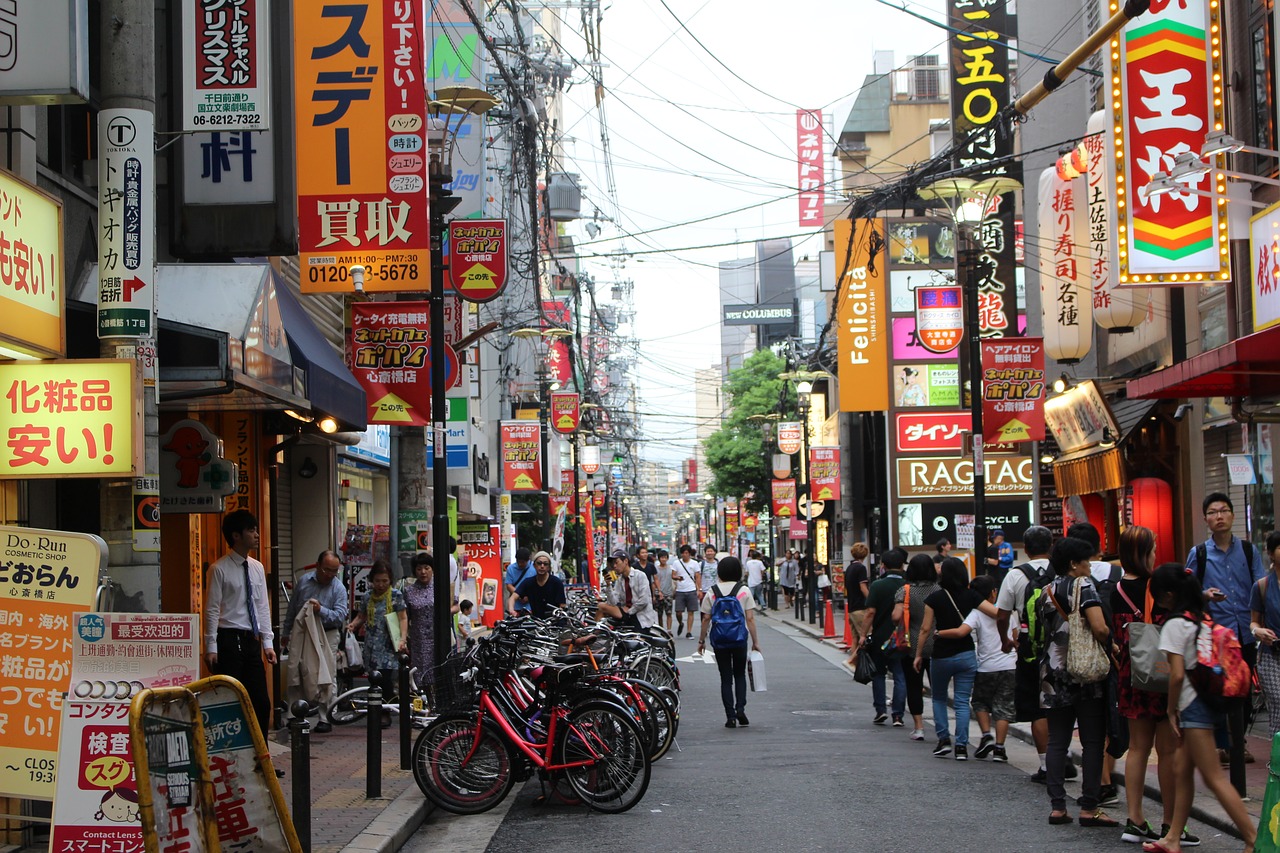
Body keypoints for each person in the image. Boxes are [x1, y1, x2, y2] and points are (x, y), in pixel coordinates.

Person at [1144, 563, 1257, 853]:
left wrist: (1171, 711)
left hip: (1193, 705)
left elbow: (1177, 675)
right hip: (1210, 699)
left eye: (1156, 595)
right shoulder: (1200, 617)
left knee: (1213, 777)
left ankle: (1253, 839)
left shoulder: (1172, 624)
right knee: (1182, 769)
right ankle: (1172, 839)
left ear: (1168, 595)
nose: (1155, 601)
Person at [1112, 525, 1182, 845]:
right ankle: (1170, 824)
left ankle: (1135, 819)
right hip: (1162, 673)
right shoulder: (1159, 587)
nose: (1155, 552)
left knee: (1137, 748)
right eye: (1152, 548)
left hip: (1131, 675)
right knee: (1167, 751)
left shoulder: (1115, 590)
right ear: (1144, 553)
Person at [1185, 492, 1264, 767]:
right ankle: (1221, 744)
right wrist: (1206, 595)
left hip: (1245, 632)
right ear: (1206, 519)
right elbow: (1189, 590)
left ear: (1233, 515)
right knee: (1217, 687)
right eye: (1213, 512)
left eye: (1224, 511)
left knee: (1243, 689)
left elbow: (1260, 585)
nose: (1219, 516)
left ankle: (1237, 742)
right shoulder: (1200, 553)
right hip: (1215, 635)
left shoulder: (1248, 550)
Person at [1041, 537, 1115, 828]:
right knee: (1093, 741)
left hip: (1053, 671)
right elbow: (1098, 627)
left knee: (1057, 740)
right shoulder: (1084, 586)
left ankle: (1058, 806)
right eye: (1086, 560)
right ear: (1074, 563)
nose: (1089, 566)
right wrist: (1111, 640)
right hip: (1084, 672)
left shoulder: (1046, 591)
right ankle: (1089, 807)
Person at [995, 525, 1067, 783]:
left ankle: (1047, 766)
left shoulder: (1015, 575)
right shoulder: (1062, 570)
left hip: (1030, 648)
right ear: (1051, 546)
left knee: (1038, 708)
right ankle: (1064, 755)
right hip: (1061, 646)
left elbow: (1002, 614)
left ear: (1025, 549)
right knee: (1062, 702)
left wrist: (1005, 640)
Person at [203, 510, 277, 736]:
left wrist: (268, 643)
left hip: (250, 641)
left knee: (261, 702)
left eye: (256, 529)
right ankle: (233, 759)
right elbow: (212, 609)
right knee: (232, 700)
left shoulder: (257, 567)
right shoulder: (219, 569)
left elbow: (262, 606)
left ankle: (262, 759)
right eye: (251, 530)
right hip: (228, 639)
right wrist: (211, 647)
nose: (256, 535)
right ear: (236, 535)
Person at [940, 575, 1016, 762]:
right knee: (1003, 708)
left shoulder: (976, 613)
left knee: (980, 703)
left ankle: (986, 735)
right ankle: (999, 748)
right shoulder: (1008, 613)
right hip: (1009, 665)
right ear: (993, 593)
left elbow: (961, 632)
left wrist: (938, 633)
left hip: (986, 667)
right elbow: (1015, 636)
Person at [915, 557, 981, 759]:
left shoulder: (936, 598)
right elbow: (996, 612)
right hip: (966, 653)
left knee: (939, 698)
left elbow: (926, 629)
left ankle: (943, 739)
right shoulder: (973, 596)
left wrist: (918, 654)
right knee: (962, 701)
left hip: (942, 654)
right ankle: (961, 746)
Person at [281, 549, 348, 733]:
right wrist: (286, 633)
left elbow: (339, 616)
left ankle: (325, 717)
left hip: (328, 633)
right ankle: (293, 714)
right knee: (296, 670)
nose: (330, 575)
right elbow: (293, 609)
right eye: (327, 570)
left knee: (326, 673)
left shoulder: (338, 588)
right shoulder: (303, 582)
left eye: (334, 571)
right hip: (303, 633)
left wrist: (321, 610)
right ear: (317, 566)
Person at [697, 555, 761, 728]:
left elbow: (705, 619)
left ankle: (730, 716)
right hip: (739, 639)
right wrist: (755, 642)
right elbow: (750, 619)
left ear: (720, 572)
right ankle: (740, 708)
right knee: (740, 675)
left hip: (719, 640)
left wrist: (701, 641)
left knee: (725, 678)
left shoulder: (712, 591)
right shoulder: (744, 590)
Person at [347, 561, 408, 725]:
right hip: (372, 644)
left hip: (389, 644)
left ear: (390, 580)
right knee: (374, 679)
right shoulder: (368, 596)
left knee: (386, 679)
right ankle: (376, 709)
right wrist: (353, 624)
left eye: (384, 581)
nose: (381, 585)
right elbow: (362, 615)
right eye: (377, 581)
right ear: (372, 580)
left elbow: (403, 617)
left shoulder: (396, 595)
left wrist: (402, 638)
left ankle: (385, 712)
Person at [892, 553, 940, 740]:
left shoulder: (905, 591)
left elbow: (896, 617)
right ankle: (941, 726)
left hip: (911, 645)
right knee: (938, 688)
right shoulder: (939, 589)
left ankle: (919, 727)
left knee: (914, 685)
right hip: (937, 643)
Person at [862, 548, 908, 726]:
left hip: (881, 636)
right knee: (899, 675)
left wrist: (863, 635)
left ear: (883, 566)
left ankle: (881, 710)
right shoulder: (908, 586)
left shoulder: (877, 585)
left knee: (879, 674)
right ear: (902, 565)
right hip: (902, 637)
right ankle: (898, 714)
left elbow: (870, 612)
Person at [1249, 529, 1280, 738]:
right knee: (1278, 703)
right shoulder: (1262, 586)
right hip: (1272, 655)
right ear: (1270, 553)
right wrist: (1258, 631)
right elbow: (1253, 622)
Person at [402, 552, 442, 695]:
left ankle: (437, 704)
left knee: (439, 670)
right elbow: (404, 616)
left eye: (426, 568)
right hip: (418, 639)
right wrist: (403, 638)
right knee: (419, 672)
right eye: (419, 569)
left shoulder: (440, 587)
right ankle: (421, 703)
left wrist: (446, 611)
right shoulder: (409, 591)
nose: (423, 572)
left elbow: (455, 606)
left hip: (438, 636)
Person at [598, 550, 656, 631]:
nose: (614, 566)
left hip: (640, 616)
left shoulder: (640, 576)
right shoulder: (620, 580)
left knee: (601, 606)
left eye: (616, 562)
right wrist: (608, 586)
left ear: (625, 561)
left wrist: (629, 611)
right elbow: (613, 602)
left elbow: (644, 600)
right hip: (626, 615)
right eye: (613, 564)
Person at [511, 550, 567, 619]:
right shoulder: (528, 582)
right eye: (539, 563)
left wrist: (558, 616)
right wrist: (512, 611)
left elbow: (562, 605)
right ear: (534, 565)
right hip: (536, 623)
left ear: (549, 567)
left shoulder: (556, 582)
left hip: (554, 623)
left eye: (545, 564)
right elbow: (513, 597)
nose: (542, 566)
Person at [843, 543, 871, 666]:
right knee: (866, 637)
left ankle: (856, 665)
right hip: (860, 607)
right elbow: (863, 587)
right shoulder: (861, 568)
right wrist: (872, 600)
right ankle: (851, 661)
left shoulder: (849, 568)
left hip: (852, 606)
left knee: (855, 637)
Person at [672, 544, 701, 638]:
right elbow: (673, 575)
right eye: (683, 553)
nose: (685, 555)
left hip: (691, 589)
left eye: (687, 553)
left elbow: (697, 576)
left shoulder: (694, 563)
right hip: (680, 590)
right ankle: (681, 623)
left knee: (691, 611)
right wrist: (677, 577)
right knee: (678, 612)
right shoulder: (676, 563)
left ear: (689, 554)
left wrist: (699, 589)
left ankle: (689, 632)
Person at [504, 547, 536, 617]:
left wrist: (529, 596)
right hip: (516, 606)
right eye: (519, 562)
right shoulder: (511, 568)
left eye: (523, 562)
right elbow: (509, 585)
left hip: (530, 606)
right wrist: (519, 596)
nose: (520, 564)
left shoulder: (534, 567)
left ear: (528, 560)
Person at [655, 549, 675, 631]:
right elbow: (654, 581)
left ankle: (669, 630)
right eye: (662, 558)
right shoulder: (656, 569)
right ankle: (661, 630)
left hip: (668, 593)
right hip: (658, 594)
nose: (663, 559)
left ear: (667, 558)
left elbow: (674, 577)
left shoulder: (671, 568)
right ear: (659, 559)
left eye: (665, 557)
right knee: (659, 614)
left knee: (669, 613)